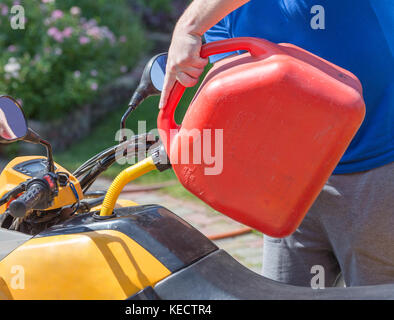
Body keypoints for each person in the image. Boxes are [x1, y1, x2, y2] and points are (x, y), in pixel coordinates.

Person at [160, 0, 394, 287]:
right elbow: (246, 96)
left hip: (374, 171)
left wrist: (189, 27)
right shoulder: (219, 12)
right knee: (283, 291)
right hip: (288, 183)